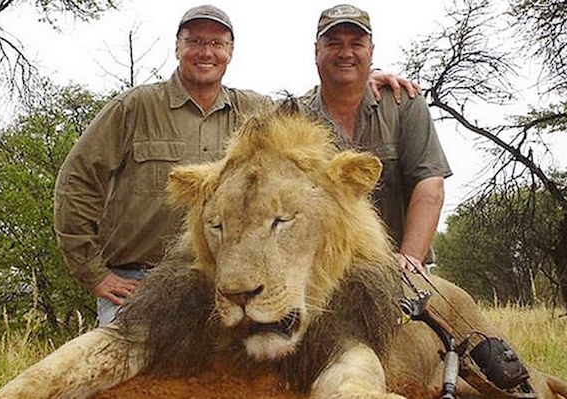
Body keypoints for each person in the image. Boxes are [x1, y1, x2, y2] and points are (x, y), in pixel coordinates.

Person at [54, 5, 420, 326]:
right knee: (118, 368)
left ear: (230, 51)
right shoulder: (133, 108)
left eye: (217, 43)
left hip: (213, 277)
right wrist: (95, 275)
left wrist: (357, 80)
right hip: (135, 280)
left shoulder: (256, 112)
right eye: (195, 41)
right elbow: (76, 183)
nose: (206, 52)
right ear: (177, 47)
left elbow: (308, 132)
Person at [301, 4, 452, 274]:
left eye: (356, 44)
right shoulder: (294, 115)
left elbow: (430, 185)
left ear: (371, 52)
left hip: (399, 266)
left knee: (455, 312)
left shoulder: (405, 103)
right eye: (334, 43)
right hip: (321, 273)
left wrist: (410, 259)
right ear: (316, 52)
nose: (345, 53)